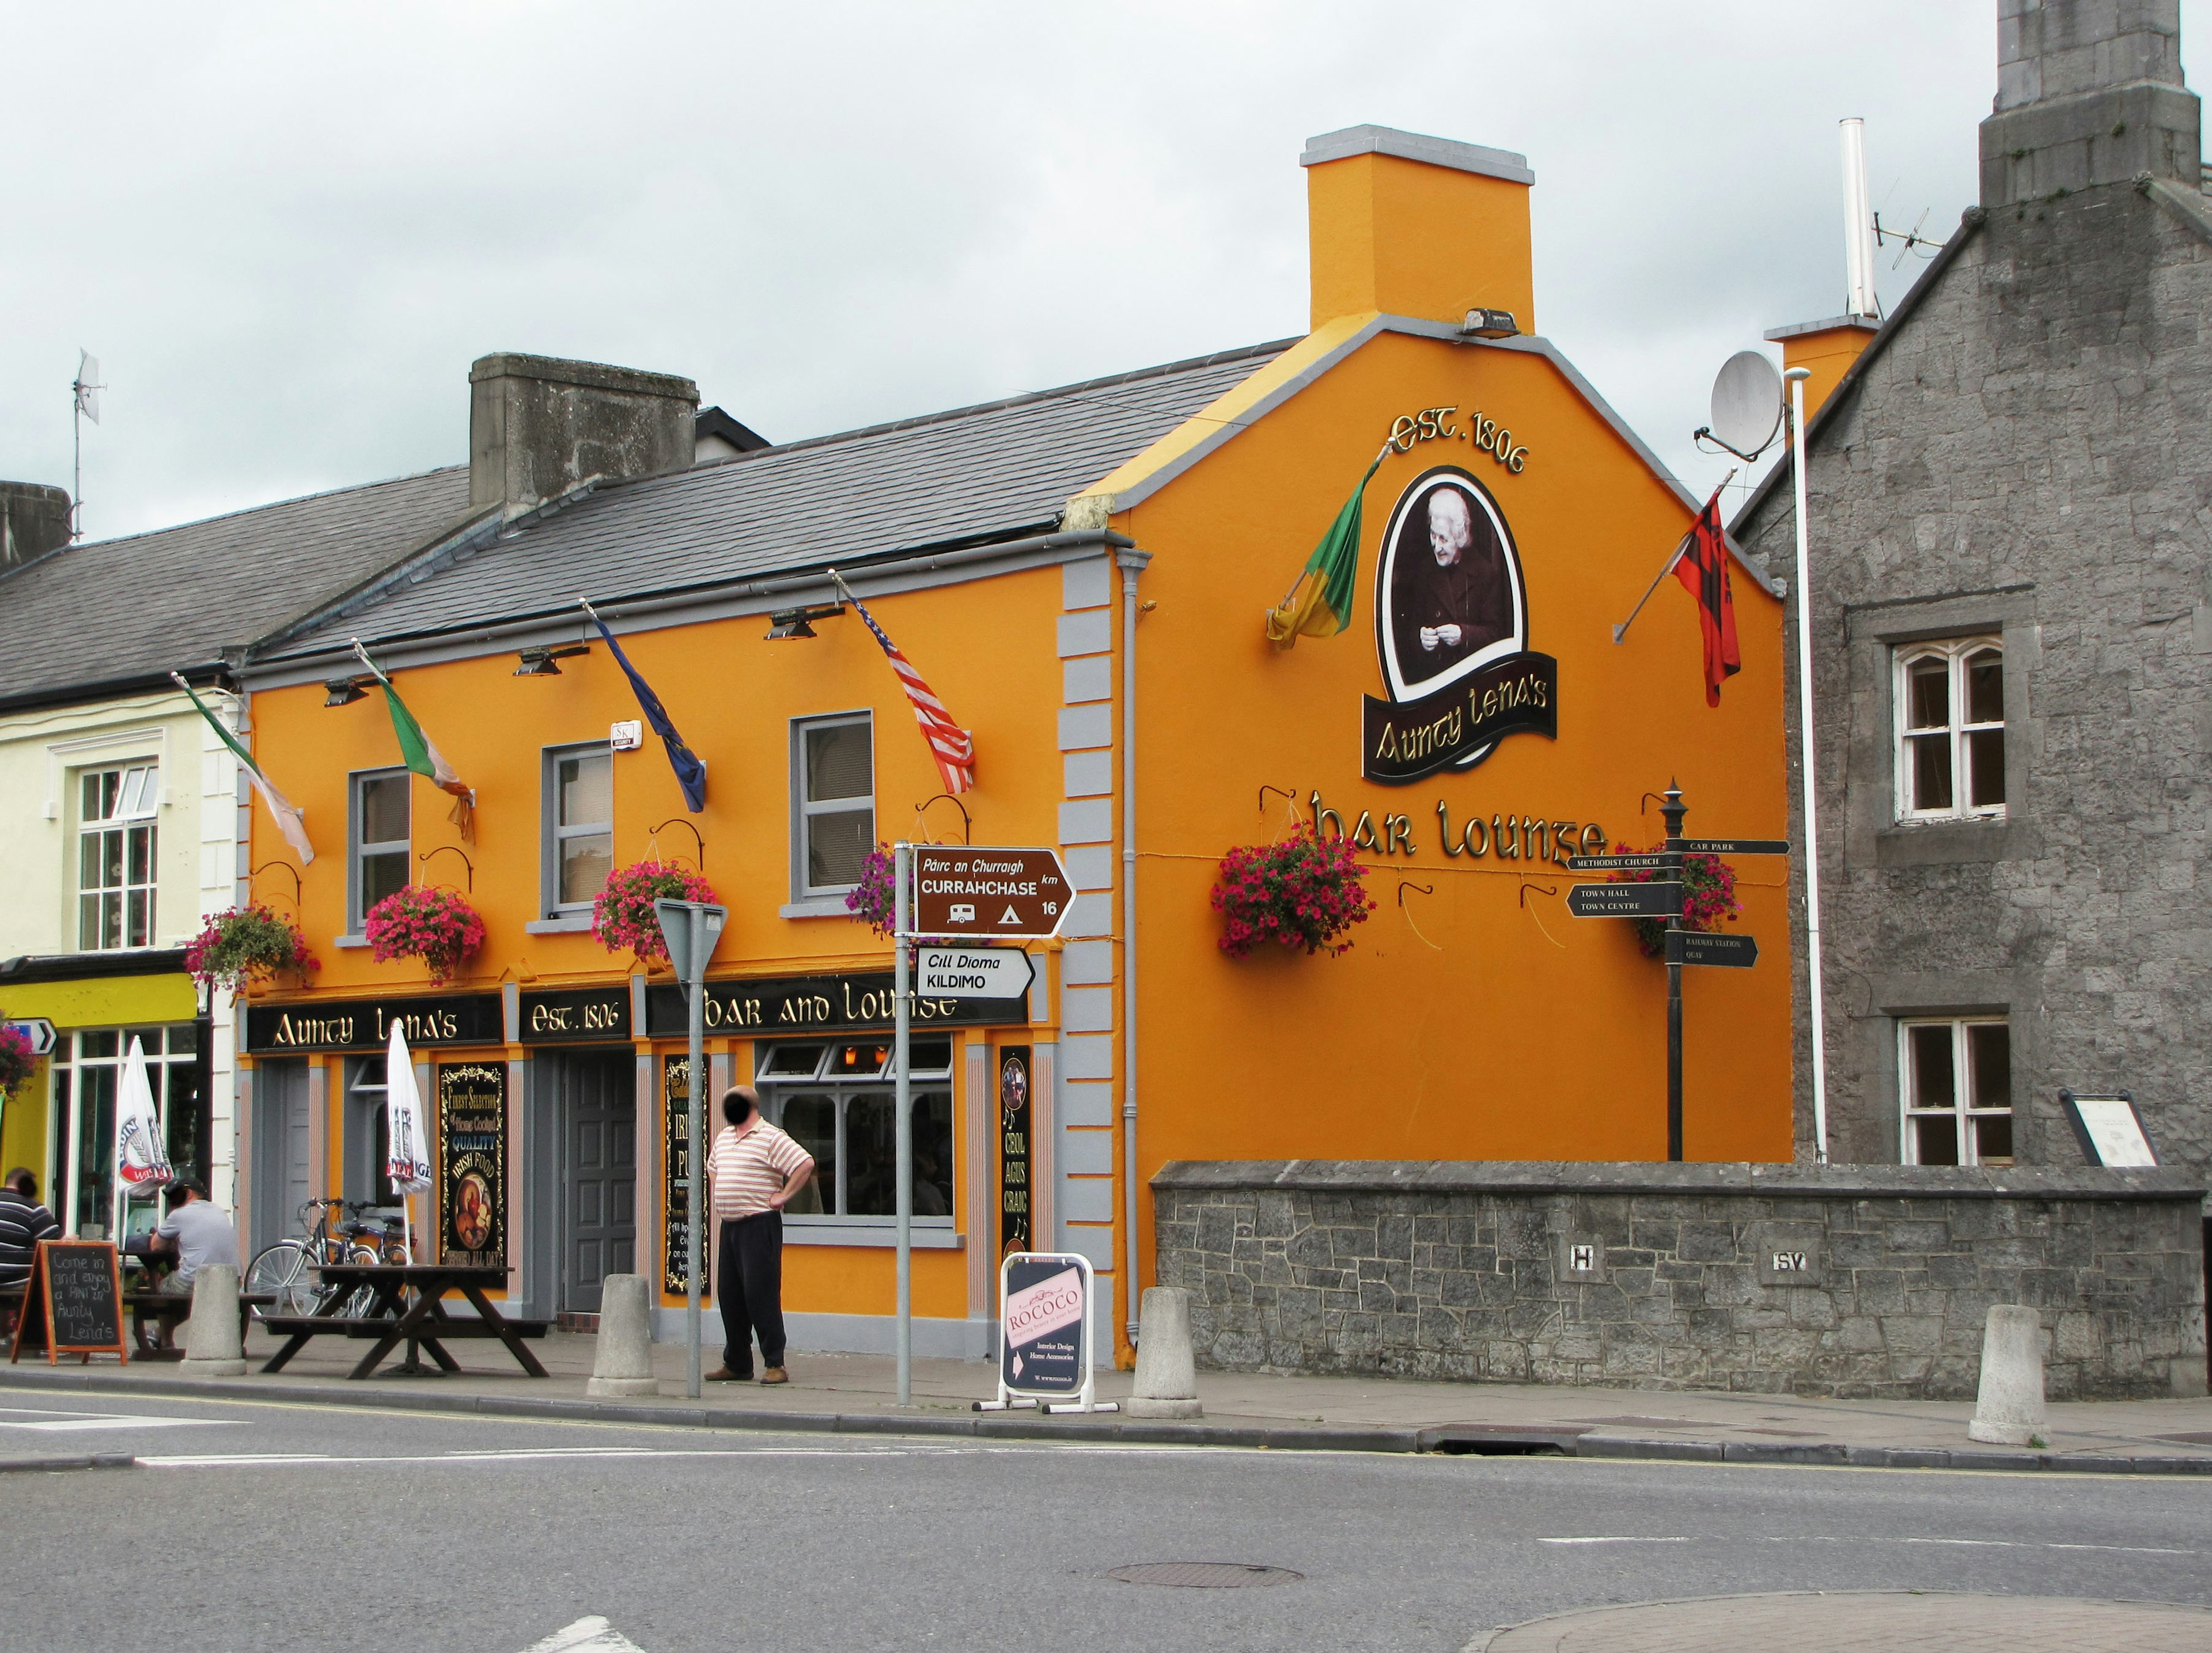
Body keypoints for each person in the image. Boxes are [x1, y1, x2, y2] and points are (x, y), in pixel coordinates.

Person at [703, 1085, 813, 1385]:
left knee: (760, 1293)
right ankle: (737, 1362)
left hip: (758, 1224)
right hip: (731, 1226)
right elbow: (713, 1166)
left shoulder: (771, 1137)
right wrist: (722, 1190)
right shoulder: (725, 1137)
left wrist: (783, 1196)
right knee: (730, 1294)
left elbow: (805, 1163)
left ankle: (775, 1363)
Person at [1388, 483, 1512, 685]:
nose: (1436, 546)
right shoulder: (1423, 572)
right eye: (1433, 535)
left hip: (1473, 684)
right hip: (1432, 683)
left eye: (1444, 539)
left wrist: (1464, 635)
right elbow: (1407, 629)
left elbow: (1498, 635)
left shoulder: (1485, 574)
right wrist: (1420, 639)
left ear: (1460, 537)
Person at [148, 1180, 240, 1298]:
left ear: (189, 1194)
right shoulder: (219, 1211)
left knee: (163, 1289)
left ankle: (176, 1316)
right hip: (231, 1280)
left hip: (197, 1280)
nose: (171, 1202)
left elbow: (156, 1246)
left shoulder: (179, 1214)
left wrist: (172, 1243)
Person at [1, 1170, 62, 1330]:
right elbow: (54, 1244)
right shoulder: (33, 1208)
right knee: (49, 1282)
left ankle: (5, 1331)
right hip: (16, 1281)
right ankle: (30, 1335)